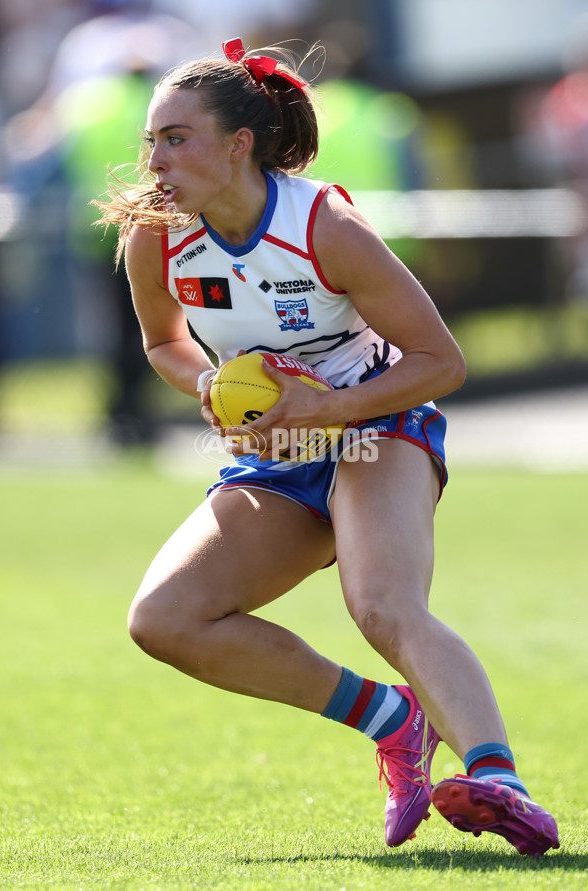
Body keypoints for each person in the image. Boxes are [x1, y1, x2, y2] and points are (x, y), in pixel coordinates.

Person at [95, 37, 559, 856]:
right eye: (152, 141)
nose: (156, 159)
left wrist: (332, 404)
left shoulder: (324, 224)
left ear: (239, 144)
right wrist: (206, 385)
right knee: (164, 619)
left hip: (378, 423)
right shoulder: (154, 237)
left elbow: (439, 362)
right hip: (279, 448)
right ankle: (394, 721)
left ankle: (499, 780)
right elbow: (164, 343)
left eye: (177, 137)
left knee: (381, 604)